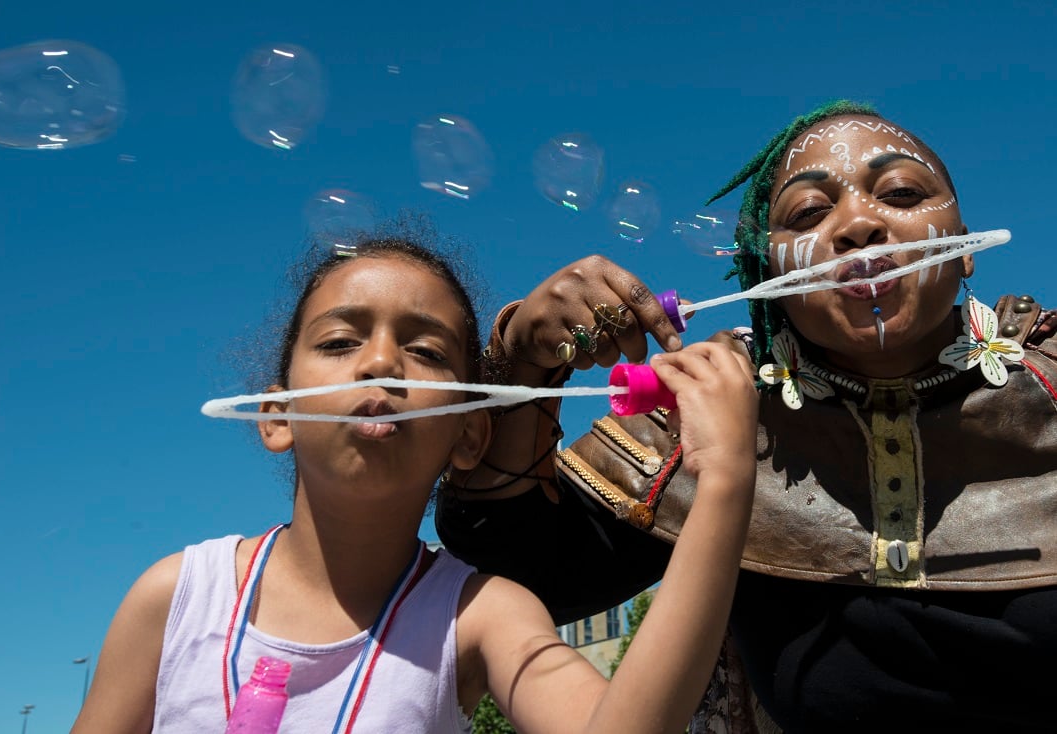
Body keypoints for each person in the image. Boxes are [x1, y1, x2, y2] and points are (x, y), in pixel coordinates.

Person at [436, 101, 1057, 732]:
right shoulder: (711, 409)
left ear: (966, 247)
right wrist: (522, 363)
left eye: (899, 193)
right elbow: (518, 572)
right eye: (811, 213)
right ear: (767, 274)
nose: (859, 225)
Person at [71, 220, 761, 734]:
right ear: (276, 417)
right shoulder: (176, 599)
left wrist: (723, 481)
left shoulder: (479, 614)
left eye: (425, 350)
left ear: (469, 433)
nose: (381, 363)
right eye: (340, 342)